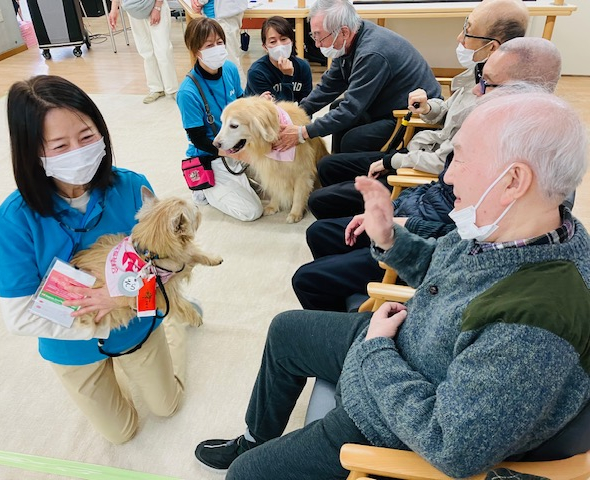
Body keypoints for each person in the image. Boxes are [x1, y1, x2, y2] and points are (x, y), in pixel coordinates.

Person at [195, 89, 590, 479]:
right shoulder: (515, 228)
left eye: (461, 158)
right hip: (404, 343)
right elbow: (444, 271)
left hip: (385, 420)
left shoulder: (534, 326)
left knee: (244, 476)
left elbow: (450, 446)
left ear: (514, 180)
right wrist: (391, 240)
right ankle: (255, 437)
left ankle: (254, 456)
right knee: (287, 330)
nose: (449, 175)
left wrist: (377, 350)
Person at [293, 37, 562, 312]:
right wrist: (395, 215)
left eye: (487, 83)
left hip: (429, 242)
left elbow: (458, 249)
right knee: (322, 233)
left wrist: (402, 226)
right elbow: (446, 191)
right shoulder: (496, 131)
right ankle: (351, 302)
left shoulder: (518, 164)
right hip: (424, 215)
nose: (477, 90)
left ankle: (355, 315)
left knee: (310, 277)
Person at [0, 75, 185, 444]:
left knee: (167, 406)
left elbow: (171, 263)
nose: (78, 152)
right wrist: (97, 319)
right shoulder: (14, 219)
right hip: (70, 345)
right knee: (121, 433)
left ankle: (174, 330)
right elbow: (19, 315)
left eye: (86, 136)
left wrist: (125, 301)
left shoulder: (132, 187)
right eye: (59, 146)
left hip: (137, 322)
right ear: (32, 152)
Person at [308, 0, 529, 220]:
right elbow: (447, 110)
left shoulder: (490, 104)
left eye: (467, 31)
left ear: (492, 47)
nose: (459, 38)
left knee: (324, 195)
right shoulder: (476, 76)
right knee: (328, 164)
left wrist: (392, 161)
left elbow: (445, 162)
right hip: (417, 149)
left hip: (419, 165)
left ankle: (358, 213)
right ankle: (348, 193)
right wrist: (428, 107)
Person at [275, 0, 441, 155]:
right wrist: (294, 114)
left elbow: (351, 109)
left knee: (352, 140)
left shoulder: (371, 53)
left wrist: (303, 133)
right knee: (336, 108)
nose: (317, 44)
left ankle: (351, 173)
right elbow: (328, 86)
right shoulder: (349, 41)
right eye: (314, 36)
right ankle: (336, 167)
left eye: (320, 37)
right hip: (386, 104)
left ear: (344, 32)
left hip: (413, 117)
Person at [176, 17, 263, 221]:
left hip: (237, 144)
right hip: (211, 155)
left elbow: (242, 107)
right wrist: (238, 155)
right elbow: (198, 139)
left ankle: (240, 179)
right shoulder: (187, 92)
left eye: (219, 42)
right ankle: (204, 190)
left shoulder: (230, 69)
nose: (217, 48)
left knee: (278, 183)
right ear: (196, 50)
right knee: (251, 211)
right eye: (209, 45)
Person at [109, 0, 178, 104]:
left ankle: (172, 89)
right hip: (134, 9)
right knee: (145, 50)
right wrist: (114, 8)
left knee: (163, 50)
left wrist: (157, 7)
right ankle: (156, 88)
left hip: (155, 5)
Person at [244, 16, 313, 103]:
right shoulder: (257, 73)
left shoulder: (303, 67)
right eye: (273, 42)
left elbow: (307, 103)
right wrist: (287, 76)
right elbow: (279, 108)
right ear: (265, 47)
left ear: (291, 41)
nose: (279, 45)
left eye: (283, 39)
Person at [190, 0, 247, 84]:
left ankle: (240, 90)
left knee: (229, 61)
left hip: (221, 18)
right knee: (229, 60)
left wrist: (199, 2)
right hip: (224, 15)